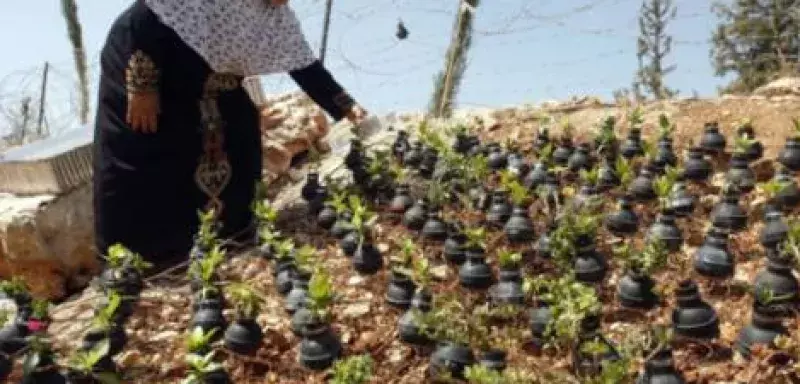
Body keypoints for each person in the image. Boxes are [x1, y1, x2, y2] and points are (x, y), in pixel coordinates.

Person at [93, 0, 367, 264]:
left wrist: (346, 106)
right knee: (147, 145)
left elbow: (303, 64)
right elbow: (147, 13)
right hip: (145, 61)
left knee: (240, 128)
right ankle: (140, 257)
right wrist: (142, 84)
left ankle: (230, 230)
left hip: (210, 80)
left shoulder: (272, 17)